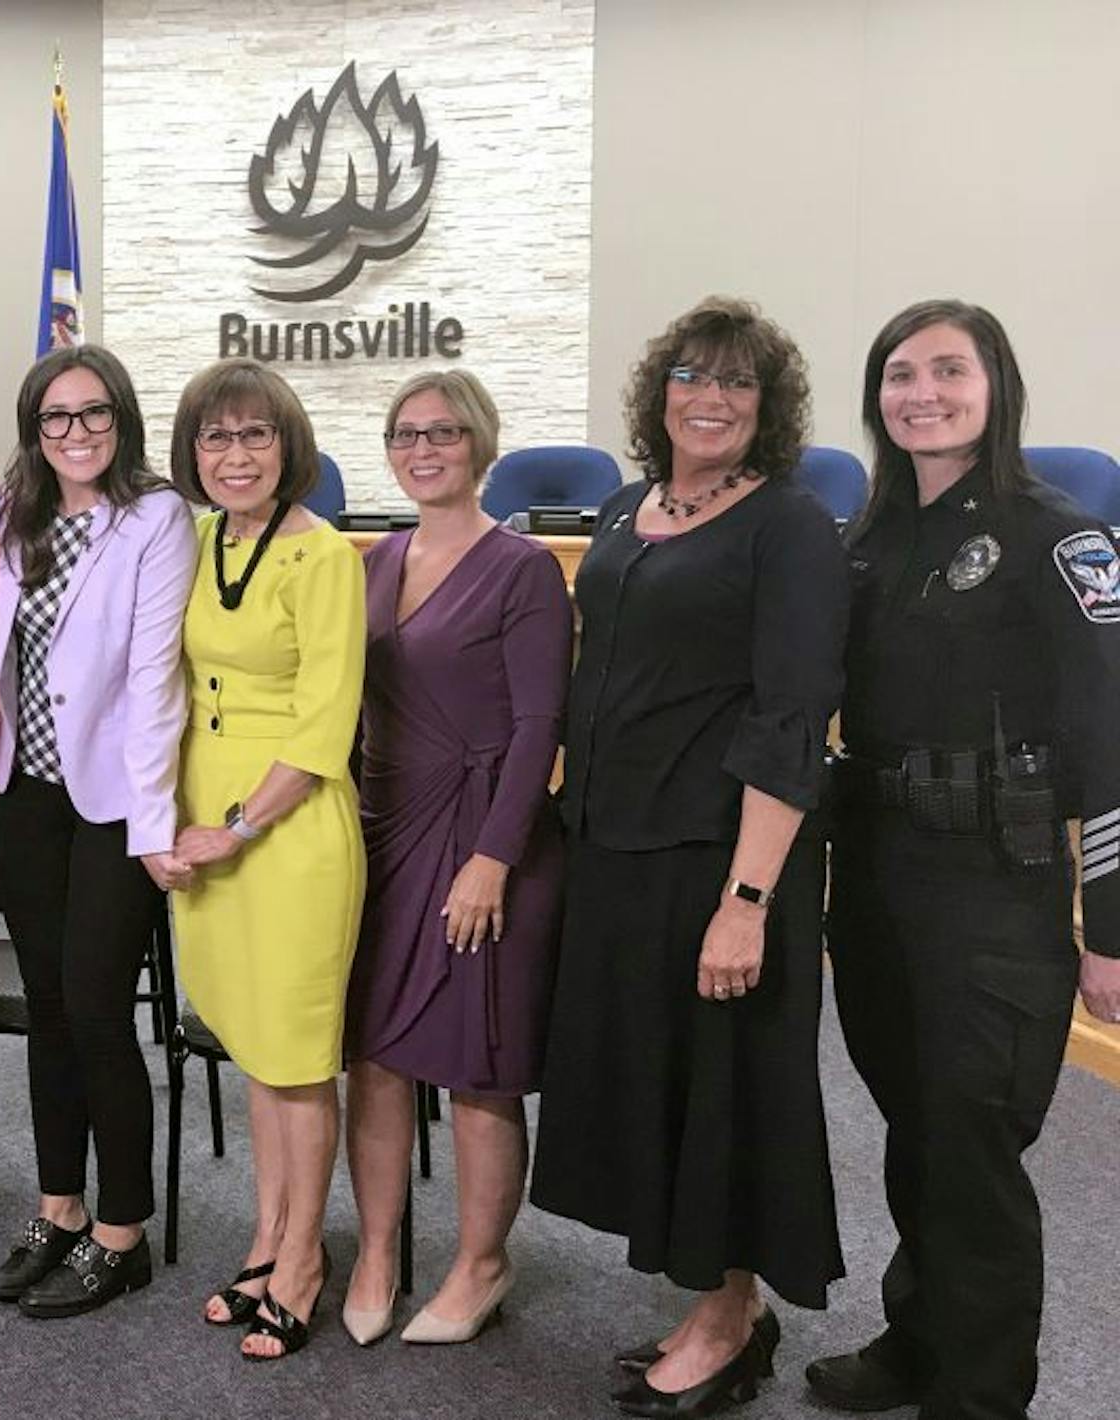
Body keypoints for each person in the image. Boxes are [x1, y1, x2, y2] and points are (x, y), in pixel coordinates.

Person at [530, 297, 849, 1418]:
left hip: (720, 855)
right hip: (620, 847)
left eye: (738, 384)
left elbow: (792, 714)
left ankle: (728, 1318)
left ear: (768, 409)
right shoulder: (627, 509)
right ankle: (720, 1298)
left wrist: (750, 900)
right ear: (657, 391)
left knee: (727, 1091)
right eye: (691, 376)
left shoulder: (791, 527)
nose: (711, 398)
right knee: (659, 1082)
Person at [808, 300, 1120, 1420]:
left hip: (997, 882)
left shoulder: (1061, 538)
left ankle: (982, 1397)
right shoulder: (866, 538)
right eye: (900, 374)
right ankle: (919, 1340)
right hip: (881, 880)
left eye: (950, 370)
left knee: (974, 1151)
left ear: (998, 386)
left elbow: (1114, 743)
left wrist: (1114, 934)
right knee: (916, 1128)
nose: (922, 393)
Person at [341, 370, 571, 1347]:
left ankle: (482, 1262)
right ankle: (379, 1250)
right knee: (377, 1057)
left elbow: (538, 725)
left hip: (488, 834)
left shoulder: (522, 568)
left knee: (479, 1065)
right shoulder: (373, 561)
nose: (423, 447)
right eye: (405, 433)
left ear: (477, 442)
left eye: (441, 431)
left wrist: (492, 858)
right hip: (389, 830)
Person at [0, 345, 196, 1319]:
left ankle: (124, 1228)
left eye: (94, 413)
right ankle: (58, 1205)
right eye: (57, 416)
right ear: (34, 427)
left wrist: (154, 821)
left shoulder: (156, 517)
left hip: (114, 799)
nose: (76, 432)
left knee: (97, 1003)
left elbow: (155, 682)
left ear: (123, 419)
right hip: (23, 789)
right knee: (45, 1001)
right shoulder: (8, 512)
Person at [167, 358, 367, 1361]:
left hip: (284, 832)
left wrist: (232, 827)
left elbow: (326, 723)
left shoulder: (324, 555)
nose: (234, 455)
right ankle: (265, 1232)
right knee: (254, 1048)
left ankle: (303, 1260)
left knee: (296, 1062)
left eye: (254, 436)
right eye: (215, 437)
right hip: (203, 819)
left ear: (288, 447)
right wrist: (164, 820)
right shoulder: (198, 539)